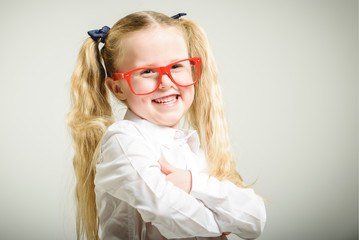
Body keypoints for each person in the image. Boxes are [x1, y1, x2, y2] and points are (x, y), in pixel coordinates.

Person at [67, 11, 266, 240]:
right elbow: (172, 215)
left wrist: (192, 183)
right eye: (147, 71)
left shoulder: (195, 151)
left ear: (192, 69)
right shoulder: (123, 141)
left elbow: (255, 220)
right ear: (117, 88)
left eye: (177, 66)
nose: (165, 82)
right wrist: (224, 220)